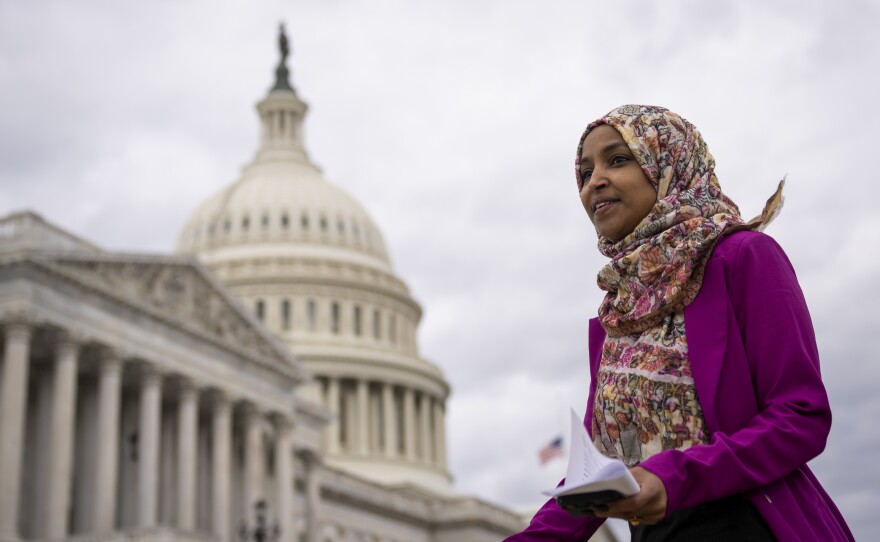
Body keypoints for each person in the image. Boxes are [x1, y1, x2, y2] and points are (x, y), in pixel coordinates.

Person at [506, 105, 854, 541]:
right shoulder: (616, 315)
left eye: (617, 159)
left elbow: (800, 416)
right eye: (583, 171)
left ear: (669, 163)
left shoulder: (743, 257)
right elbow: (599, 468)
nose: (593, 181)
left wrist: (672, 479)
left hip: (751, 528)